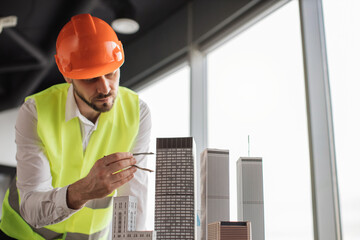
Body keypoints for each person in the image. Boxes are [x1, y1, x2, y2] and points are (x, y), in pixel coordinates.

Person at [0, 13, 151, 239]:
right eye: (90, 78)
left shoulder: (138, 112)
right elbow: (31, 208)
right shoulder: (34, 112)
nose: (105, 88)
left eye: (111, 73)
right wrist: (83, 191)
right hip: (22, 234)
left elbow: (135, 194)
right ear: (67, 75)